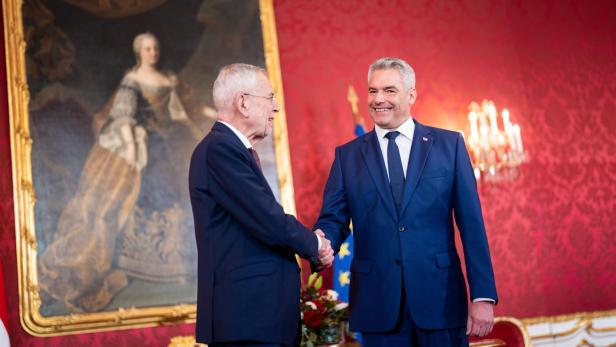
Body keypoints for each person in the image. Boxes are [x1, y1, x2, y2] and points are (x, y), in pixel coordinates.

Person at [314, 57, 498, 347]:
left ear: (411, 95)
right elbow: (333, 219)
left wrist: (483, 295)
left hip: (441, 301)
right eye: (373, 91)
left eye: (389, 90)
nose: (378, 99)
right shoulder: (347, 157)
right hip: (379, 306)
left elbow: (472, 226)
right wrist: (320, 243)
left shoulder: (449, 146)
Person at [39, 32, 200, 312]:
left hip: (165, 144)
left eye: (154, 48)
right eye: (147, 48)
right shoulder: (132, 80)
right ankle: (138, 260)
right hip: (141, 142)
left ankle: (175, 261)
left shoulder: (166, 80)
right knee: (135, 191)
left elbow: (177, 113)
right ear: (139, 52)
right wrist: (132, 147)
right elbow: (123, 114)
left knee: (180, 187)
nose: (153, 52)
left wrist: (199, 125)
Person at [189, 63, 333, 347]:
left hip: (258, 319)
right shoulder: (220, 148)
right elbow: (267, 219)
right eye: (270, 97)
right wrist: (315, 246)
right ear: (243, 103)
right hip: (248, 320)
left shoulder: (228, 148)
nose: (276, 108)